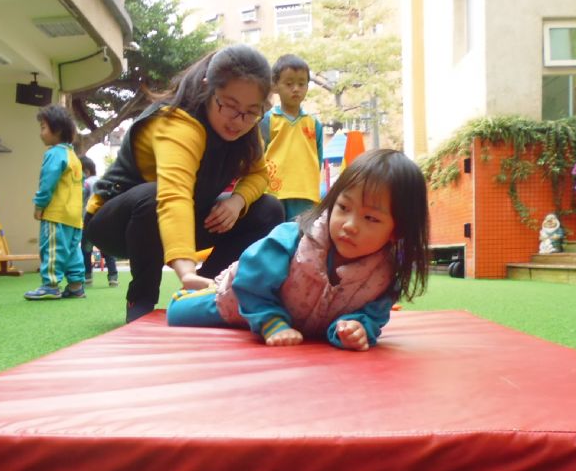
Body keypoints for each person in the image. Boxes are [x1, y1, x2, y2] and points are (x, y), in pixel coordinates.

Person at [84, 44, 285, 323]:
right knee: (152, 196)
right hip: (116, 225)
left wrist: (237, 202)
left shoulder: (247, 128)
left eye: (252, 111)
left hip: (183, 214)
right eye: (229, 106)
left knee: (268, 209)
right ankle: (141, 299)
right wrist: (185, 271)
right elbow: (173, 196)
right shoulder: (177, 123)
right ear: (207, 87)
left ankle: (207, 291)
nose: (239, 121)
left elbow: (259, 174)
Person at [167, 149, 430, 351]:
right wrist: (271, 322)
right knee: (178, 313)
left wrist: (356, 328)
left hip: (301, 320)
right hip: (240, 301)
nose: (349, 225)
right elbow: (250, 281)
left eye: (370, 218)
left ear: (397, 231)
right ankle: (200, 288)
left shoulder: (383, 277)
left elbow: (372, 315)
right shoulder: (295, 241)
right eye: (343, 208)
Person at [24, 104, 84, 300]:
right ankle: (76, 286)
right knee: (72, 251)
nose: (40, 133)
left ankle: (50, 285)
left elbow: (47, 182)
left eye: (43, 127)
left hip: (56, 213)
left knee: (52, 249)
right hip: (74, 216)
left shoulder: (54, 154)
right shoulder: (73, 157)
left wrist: (39, 205)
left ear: (56, 130)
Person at [260, 54, 324, 221]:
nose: (296, 89)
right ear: (275, 86)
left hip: (306, 192)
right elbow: (259, 156)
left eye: (301, 84)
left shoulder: (314, 124)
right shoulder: (268, 120)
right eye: (289, 84)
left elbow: (318, 158)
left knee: (301, 233)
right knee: (276, 232)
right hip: (274, 193)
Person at [79, 155, 118, 287]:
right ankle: (113, 277)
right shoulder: (103, 182)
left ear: (86, 171)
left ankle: (88, 276)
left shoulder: (86, 183)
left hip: (89, 220)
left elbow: (81, 199)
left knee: (86, 250)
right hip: (104, 220)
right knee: (107, 249)